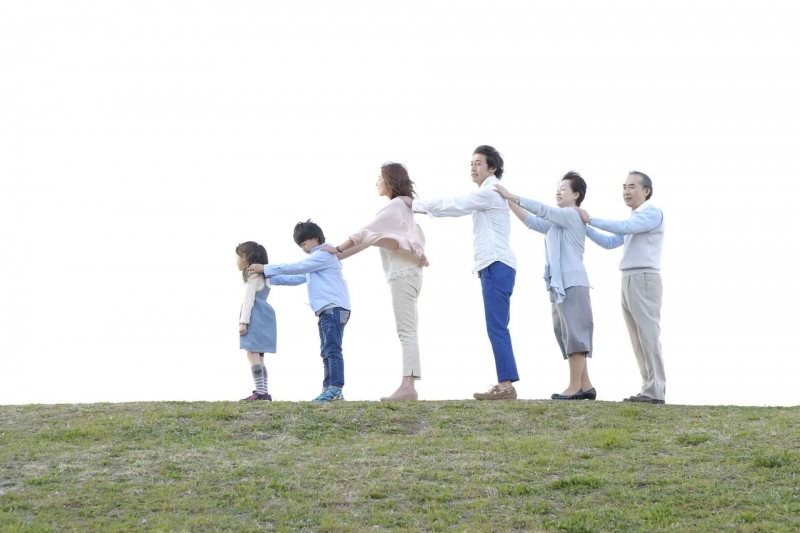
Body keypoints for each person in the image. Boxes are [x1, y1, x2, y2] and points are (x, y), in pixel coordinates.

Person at [412, 145, 520, 400]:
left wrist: (415, 205)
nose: (473, 167)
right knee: (497, 326)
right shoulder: (487, 194)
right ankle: (505, 383)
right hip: (494, 266)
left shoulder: (490, 192)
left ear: (492, 168)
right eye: (471, 163)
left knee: (497, 327)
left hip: (495, 265)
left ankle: (505, 386)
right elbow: (458, 207)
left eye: (479, 163)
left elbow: (456, 204)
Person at [321, 163, 428, 401]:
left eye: (380, 178)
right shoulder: (403, 209)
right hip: (408, 274)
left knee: (406, 331)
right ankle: (408, 385)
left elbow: (364, 232)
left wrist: (337, 248)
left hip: (402, 275)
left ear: (389, 181)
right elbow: (368, 240)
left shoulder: (394, 206)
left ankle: (408, 387)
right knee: (408, 330)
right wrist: (336, 256)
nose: (376, 182)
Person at [495, 172, 597, 401]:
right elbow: (532, 221)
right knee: (568, 333)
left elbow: (542, 210)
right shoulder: (557, 223)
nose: (558, 192)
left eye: (563, 189)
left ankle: (574, 387)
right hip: (560, 285)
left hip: (572, 283)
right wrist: (508, 201)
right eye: (557, 189)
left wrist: (512, 195)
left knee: (575, 335)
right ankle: (585, 385)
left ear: (576, 194)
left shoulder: (570, 214)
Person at [575, 171, 666, 404]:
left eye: (632, 186)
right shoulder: (634, 219)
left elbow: (624, 227)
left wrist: (590, 218)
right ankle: (648, 389)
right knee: (637, 337)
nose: (626, 191)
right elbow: (609, 242)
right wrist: (583, 225)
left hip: (644, 278)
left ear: (646, 191)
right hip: (628, 278)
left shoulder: (651, 213)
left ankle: (656, 390)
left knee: (648, 334)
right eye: (624, 187)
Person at [247, 221, 351, 403]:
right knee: (326, 350)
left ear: (315, 238)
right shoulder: (317, 261)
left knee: (332, 350)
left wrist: (265, 268)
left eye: (304, 243)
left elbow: (297, 267)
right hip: (327, 310)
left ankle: (335, 390)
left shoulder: (323, 255)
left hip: (333, 308)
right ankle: (328, 390)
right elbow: (297, 277)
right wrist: (269, 278)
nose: (303, 248)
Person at [236, 242, 277, 401]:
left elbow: (249, 299)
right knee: (259, 356)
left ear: (245, 257)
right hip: (266, 316)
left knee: (252, 353)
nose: (236, 261)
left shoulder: (252, 275)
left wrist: (243, 322)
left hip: (255, 316)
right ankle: (263, 391)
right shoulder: (265, 276)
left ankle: (260, 392)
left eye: (238, 257)